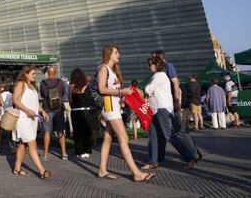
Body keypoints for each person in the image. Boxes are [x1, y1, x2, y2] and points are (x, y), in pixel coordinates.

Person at [97, 45, 155, 181]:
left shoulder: (112, 70)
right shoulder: (103, 68)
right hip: (110, 108)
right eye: (116, 53)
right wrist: (121, 92)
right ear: (109, 54)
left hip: (114, 107)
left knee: (108, 138)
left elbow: (114, 91)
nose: (119, 55)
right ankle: (136, 173)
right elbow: (101, 89)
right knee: (124, 139)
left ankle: (102, 170)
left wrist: (127, 93)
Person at [143, 56, 198, 170]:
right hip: (156, 108)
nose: (149, 67)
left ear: (157, 65)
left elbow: (148, 90)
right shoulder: (158, 76)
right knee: (154, 135)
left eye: (150, 64)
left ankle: (189, 157)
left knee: (168, 135)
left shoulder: (159, 76)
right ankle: (153, 160)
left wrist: (147, 87)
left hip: (161, 108)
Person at [12, 65, 52, 179]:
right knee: (32, 144)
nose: (35, 76)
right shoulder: (21, 84)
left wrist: (42, 110)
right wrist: (27, 110)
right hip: (24, 119)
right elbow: (15, 100)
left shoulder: (33, 86)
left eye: (35, 74)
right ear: (26, 74)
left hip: (32, 120)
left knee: (22, 145)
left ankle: (17, 169)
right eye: (33, 74)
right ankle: (42, 171)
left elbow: (34, 102)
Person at [39, 65, 68, 160]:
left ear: (47, 73)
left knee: (47, 132)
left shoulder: (43, 83)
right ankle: (64, 154)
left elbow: (43, 94)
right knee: (60, 132)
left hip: (47, 110)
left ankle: (46, 154)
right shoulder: (60, 82)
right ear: (55, 72)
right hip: (59, 110)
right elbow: (63, 93)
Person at [69, 68, 96, 158]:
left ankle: (79, 152)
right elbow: (88, 99)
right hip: (85, 110)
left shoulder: (71, 86)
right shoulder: (85, 85)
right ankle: (87, 150)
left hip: (75, 111)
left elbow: (70, 101)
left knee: (77, 133)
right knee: (86, 131)